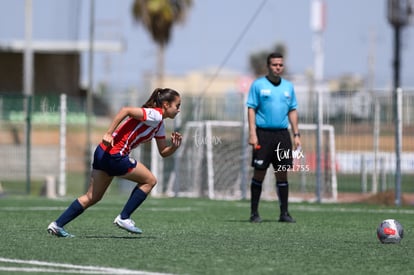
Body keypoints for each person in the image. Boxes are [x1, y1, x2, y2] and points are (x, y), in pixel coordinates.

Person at [47, 88, 182, 237]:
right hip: (114, 155)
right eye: (177, 106)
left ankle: (57, 225)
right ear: (166, 105)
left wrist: (174, 147)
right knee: (150, 180)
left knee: (92, 197)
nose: (179, 110)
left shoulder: (159, 125)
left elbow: (163, 152)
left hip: (102, 152)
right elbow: (126, 110)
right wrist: (109, 133)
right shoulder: (155, 115)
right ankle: (124, 217)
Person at [246, 52, 301, 223]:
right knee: (259, 173)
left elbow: (292, 110)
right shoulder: (258, 85)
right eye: (274, 64)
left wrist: (296, 134)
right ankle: (254, 213)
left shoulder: (288, 87)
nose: (278, 67)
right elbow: (251, 108)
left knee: (282, 174)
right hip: (263, 135)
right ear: (268, 66)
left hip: (282, 136)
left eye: (280, 65)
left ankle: (284, 213)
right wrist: (253, 133)